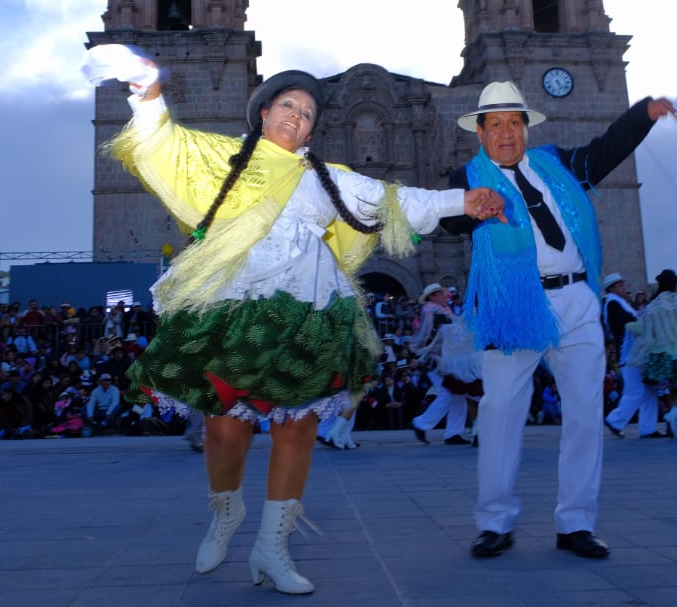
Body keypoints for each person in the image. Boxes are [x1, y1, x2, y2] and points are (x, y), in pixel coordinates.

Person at [82, 44, 504, 595]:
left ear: (310, 133)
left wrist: (462, 202)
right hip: (237, 311)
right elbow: (168, 147)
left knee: (297, 429)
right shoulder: (226, 158)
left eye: (306, 114)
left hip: (309, 313)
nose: (296, 117)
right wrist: (148, 92)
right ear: (264, 113)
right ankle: (227, 510)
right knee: (225, 426)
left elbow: (396, 199)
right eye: (288, 106)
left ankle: (273, 547)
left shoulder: (330, 179)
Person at [440, 81, 676, 559]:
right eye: (496, 125)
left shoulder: (557, 165)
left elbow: (604, 153)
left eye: (514, 122)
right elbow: (451, 220)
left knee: (586, 413)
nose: (506, 133)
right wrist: (476, 210)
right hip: (516, 305)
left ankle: (575, 523)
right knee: (501, 411)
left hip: (576, 299)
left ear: (526, 130)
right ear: (480, 135)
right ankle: (495, 522)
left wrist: (642, 115)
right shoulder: (467, 179)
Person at [624, 270, 677, 438]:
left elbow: (642, 328)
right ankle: (675, 416)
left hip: (663, 353)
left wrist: (627, 325)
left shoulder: (654, 306)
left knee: (673, 389)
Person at [410, 283, 480, 445]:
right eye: (441, 294)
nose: (445, 296)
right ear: (433, 296)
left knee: (458, 393)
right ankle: (420, 423)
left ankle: (453, 433)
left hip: (445, 358)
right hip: (434, 359)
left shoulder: (442, 310)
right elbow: (437, 334)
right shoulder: (431, 310)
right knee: (447, 392)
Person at [601, 272, 662, 439]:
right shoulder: (613, 304)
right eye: (620, 286)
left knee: (649, 390)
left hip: (636, 352)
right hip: (629, 353)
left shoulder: (619, 303)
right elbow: (628, 325)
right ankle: (615, 420)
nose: (624, 288)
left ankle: (648, 428)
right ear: (612, 288)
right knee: (635, 391)